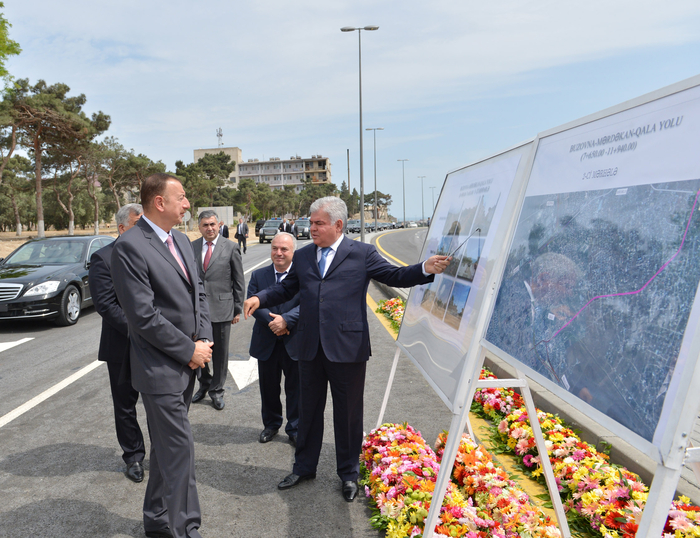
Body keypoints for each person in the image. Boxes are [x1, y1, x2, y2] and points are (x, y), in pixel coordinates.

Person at [243, 196, 451, 502]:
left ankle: (348, 474)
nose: (311, 228)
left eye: (318, 223)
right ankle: (304, 467)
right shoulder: (303, 257)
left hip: (347, 348)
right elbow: (286, 288)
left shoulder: (362, 254)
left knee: (348, 414)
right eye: (311, 222)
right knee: (308, 411)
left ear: (338, 225)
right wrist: (260, 298)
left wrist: (424, 268)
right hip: (309, 346)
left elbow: (395, 276)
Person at [111, 173, 213, 538]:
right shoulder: (131, 246)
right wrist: (189, 349)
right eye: (182, 198)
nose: (187, 204)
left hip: (189, 362)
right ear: (160, 202)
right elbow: (142, 316)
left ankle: (156, 520)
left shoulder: (183, 240)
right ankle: (185, 529)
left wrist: (203, 337)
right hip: (159, 369)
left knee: (168, 450)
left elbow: (198, 292)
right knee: (180, 451)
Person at [88, 203, 146, 484]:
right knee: (125, 405)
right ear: (122, 228)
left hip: (156, 344)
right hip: (121, 344)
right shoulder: (103, 258)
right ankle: (133, 456)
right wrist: (144, 330)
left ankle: (165, 453)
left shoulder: (151, 253)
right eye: (139, 223)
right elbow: (107, 306)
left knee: (160, 401)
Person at [247, 232, 300, 446]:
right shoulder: (258, 275)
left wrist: (286, 320)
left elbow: (307, 303)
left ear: (293, 252)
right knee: (269, 388)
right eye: (275, 248)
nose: (278, 253)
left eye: (284, 249)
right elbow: (253, 302)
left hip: (294, 340)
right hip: (266, 339)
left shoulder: (303, 275)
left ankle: (295, 428)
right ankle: (271, 424)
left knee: (296, 389)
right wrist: (275, 323)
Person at [191, 210, 245, 410]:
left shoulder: (230, 247)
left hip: (223, 309)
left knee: (220, 354)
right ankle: (204, 384)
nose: (209, 228)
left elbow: (239, 281)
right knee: (199, 350)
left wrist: (237, 308)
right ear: (199, 227)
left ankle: (217, 390)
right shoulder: (191, 247)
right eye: (205, 225)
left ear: (219, 224)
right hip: (197, 311)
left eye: (212, 224)